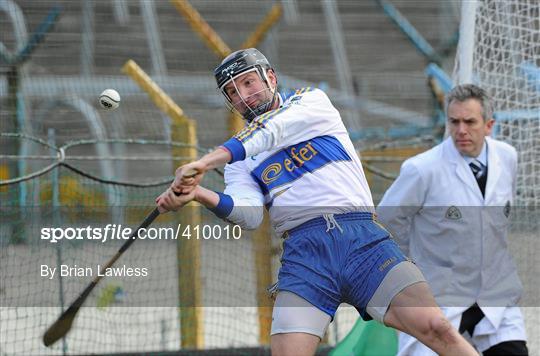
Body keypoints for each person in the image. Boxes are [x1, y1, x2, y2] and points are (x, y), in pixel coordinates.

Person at [156, 48, 477, 356]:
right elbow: (250, 215)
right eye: (232, 91)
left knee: (437, 329)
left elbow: (270, 131)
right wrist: (199, 194)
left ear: (271, 77)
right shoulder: (239, 162)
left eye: (248, 82)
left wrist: (205, 162)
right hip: (305, 254)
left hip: (362, 242)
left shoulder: (311, 103)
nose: (243, 95)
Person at [377, 84, 528, 355]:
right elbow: (386, 222)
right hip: (438, 298)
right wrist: (410, 271)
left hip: (494, 295)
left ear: (489, 125)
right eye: (454, 122)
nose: (461, 130)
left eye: (470, 122)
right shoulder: (421, 169)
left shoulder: (508, 157)